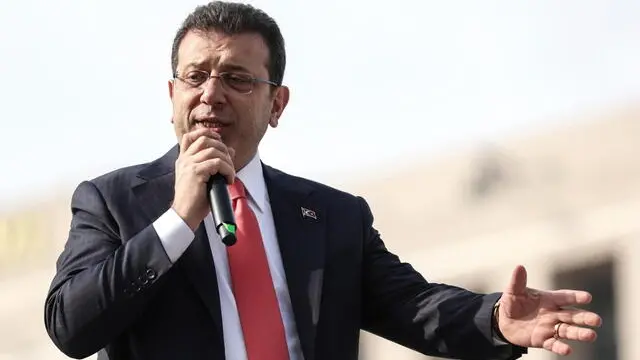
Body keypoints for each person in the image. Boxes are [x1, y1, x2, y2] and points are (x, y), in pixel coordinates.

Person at [44, 2, 602, 360]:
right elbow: (71, 326)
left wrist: (496, 321)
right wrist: (177, 221)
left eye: (236, 78)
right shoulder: (113, 201)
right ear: (172, 97)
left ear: (277, 103)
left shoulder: (333, 216)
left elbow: (413, 306)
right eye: (195, 77)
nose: (210, 94)